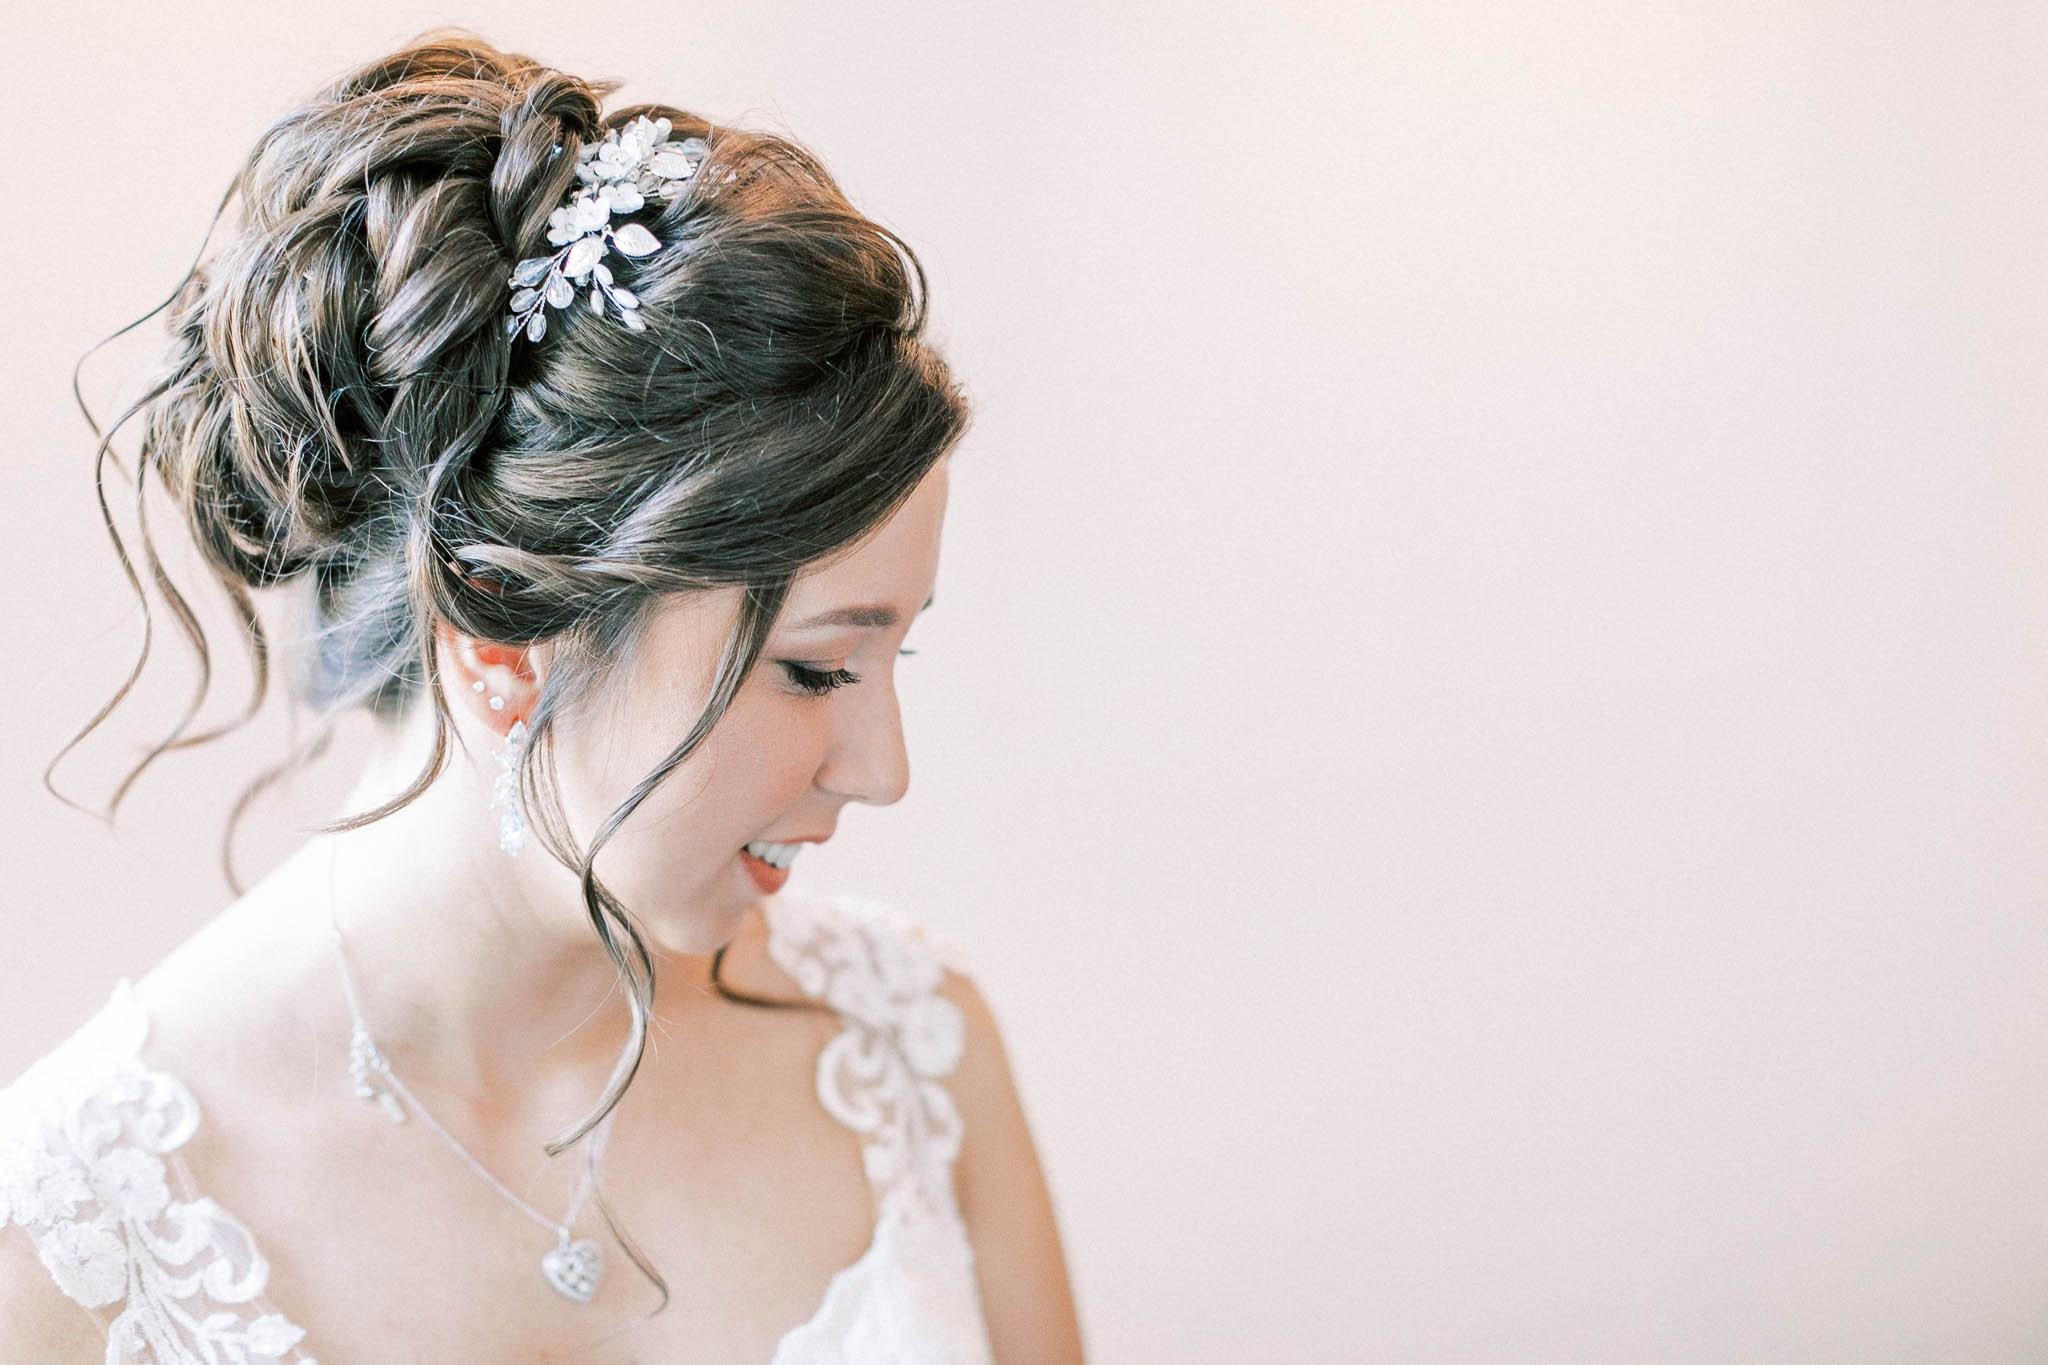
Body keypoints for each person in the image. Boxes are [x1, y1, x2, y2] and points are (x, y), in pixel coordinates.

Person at [0, 31, 1085, 1364]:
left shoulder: (916, 1054)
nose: (881, 767)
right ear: (504, 645)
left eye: (891, 656)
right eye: (817, 667)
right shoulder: (70, 1248)